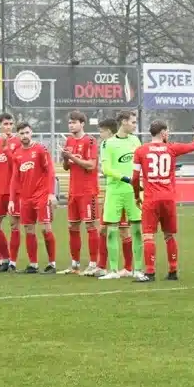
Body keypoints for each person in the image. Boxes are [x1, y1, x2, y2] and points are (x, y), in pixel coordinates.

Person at [131, 120, 194, 282]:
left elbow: (134, 178)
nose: (167, 134)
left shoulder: (140, 151)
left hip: (151, 199)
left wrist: (136, 195)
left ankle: (149, 272)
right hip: (168, 198)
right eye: (166, 132)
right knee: (169, 235)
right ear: (162, 133)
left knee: (148, 236)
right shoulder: (172, 148)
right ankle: (173, 271)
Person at [98, 110, 146, 281]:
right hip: (115, 191)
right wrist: (126, 178)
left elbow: (141, 163)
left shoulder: (135, 140)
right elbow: (106, 169)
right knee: (111, 230)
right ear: (124, 122)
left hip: (133, 193)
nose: (135, 125)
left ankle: (138, 269)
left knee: (137, 230)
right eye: (133, 122)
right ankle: (113, 270)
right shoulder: (108, 144)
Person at [8, 122, 59, 274]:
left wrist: (50, 193)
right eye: (22, 133)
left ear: (31, 133)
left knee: (45, 228)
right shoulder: (16, 153)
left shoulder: (40, 149)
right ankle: (33, 264)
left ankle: (52, 263)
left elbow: (50, 171)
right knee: (29, 229)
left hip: (41, 195)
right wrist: (12, 199)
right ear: (18, 135)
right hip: (25, 198)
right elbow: (14, 178)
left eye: (27, 132)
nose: (25, 136)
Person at [60, 111, 101, 275]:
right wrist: (65, 158)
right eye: (70, 123)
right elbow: (66, 167)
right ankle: (75, 264)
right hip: (73, 191)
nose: (71, 125)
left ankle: (93, 263)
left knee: (90, 225)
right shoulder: (69, 141)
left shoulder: (90, 140)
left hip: (87, 191)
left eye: (74, 122)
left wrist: (72, 157)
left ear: (82, 124)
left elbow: (91, 165)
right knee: (72, 226)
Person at [94, 118, 134, 278]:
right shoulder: (107, 146)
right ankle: (102, 266)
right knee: (103, 229)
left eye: (101, 132)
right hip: (111, 192)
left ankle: (128, 268)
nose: (99, 135)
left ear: (110, 132)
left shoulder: (116, 143)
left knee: (124, 230)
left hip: (122, 192)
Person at [0, 113, 19, 272]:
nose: (8, 127)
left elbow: (17, 165)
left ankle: (12, 262)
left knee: (14, 225)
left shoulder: (18, 142)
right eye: (5, 124)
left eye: (10, 124)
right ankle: (4, 258)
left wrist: (7, 148)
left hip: (13, 191)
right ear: (0, 125)